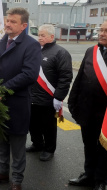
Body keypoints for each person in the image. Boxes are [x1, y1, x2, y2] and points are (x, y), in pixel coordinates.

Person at [0, 8, 42, 190]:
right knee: (1, 140)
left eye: (13, 22)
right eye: (7, 20)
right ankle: (2, 172)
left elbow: (29, 74)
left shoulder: (31, 45)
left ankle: (16, 181)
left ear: (24, 26)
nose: (7, 24)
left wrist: (2, 89)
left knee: (17, 145)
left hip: (16, 103)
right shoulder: (2, 42)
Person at [68, 17, 107, 190]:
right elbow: (79, 80)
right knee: (89, 145)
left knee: (105, 149)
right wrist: (73, 103)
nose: (101, 33)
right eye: (101, 30)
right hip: (87, 110)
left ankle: (100, 182)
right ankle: (88, 175)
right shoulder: (91, 51)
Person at [27, 24, 73, 161]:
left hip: (48, 97)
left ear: (51, 37)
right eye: (39, 35)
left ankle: (49, 149)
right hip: (32, 96)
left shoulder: (61, 53)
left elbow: (65, 77)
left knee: (48, 126)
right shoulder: (35, 50)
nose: (39, 38)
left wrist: (59, 97)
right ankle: (37, 144)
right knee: (32, 123)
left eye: (43, 35)